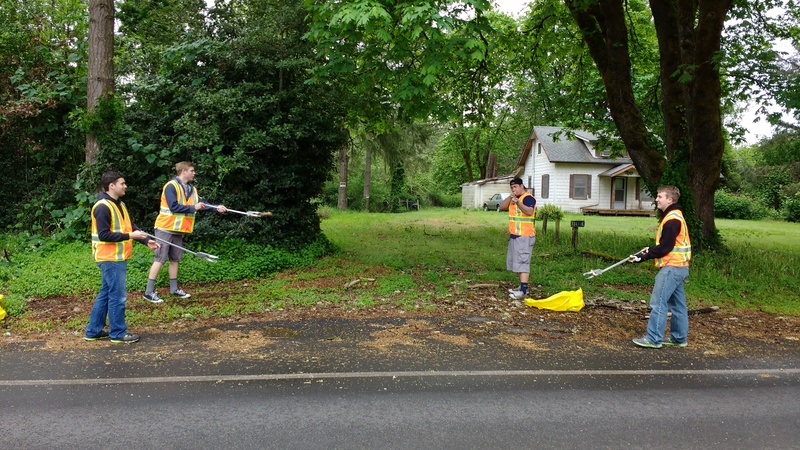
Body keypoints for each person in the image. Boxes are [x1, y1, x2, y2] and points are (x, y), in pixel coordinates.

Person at [85, 171, 159, 344]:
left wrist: (146, 240)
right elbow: (104, 235)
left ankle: (93, 331)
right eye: (122, 183)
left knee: (106, 293)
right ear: (112, 186)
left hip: (116, 257)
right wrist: (131, 236)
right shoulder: (102, 207)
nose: (125, 186)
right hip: (109, 258)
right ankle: (118, 333)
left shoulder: (120, 204)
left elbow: (129, 226)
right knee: (117, 296)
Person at [143, 161, 226, 303]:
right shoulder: (171, 186)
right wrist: (194, 207)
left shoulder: (191, 189)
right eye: (192, 170)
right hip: (165, 227)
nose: (194, 173)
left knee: (175, 259)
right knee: (160, 259)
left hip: (178, 230)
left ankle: (174, 289)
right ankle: (148, 292)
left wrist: (216, 208)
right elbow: (174, 206)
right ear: (183, 171)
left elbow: (201, 204)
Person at [630, 185, 692, 349]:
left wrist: (643, 256)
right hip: (680, 267)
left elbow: (665, 248)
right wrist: (649, 250)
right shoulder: (675, 216)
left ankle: (653, 339)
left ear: (670, 200)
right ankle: (679, 338)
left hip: (671, 268)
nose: (656, 199)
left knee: (658, 303)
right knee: (678, 306)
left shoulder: (672, 220)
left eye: (660, 197)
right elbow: (666, 244)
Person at [499, 177, 537, 300]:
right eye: (511, 187)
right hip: (515, 235)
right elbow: (502, 206)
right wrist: (511, 198)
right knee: (516, 263)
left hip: (525, 236)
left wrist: (518, 203)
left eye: (515, 187)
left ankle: (524, 291)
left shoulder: (528, 198)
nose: (513, 189)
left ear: (522, 186)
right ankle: (521, 286)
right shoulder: (514, 199)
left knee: (523, 262)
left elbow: (529, 211)